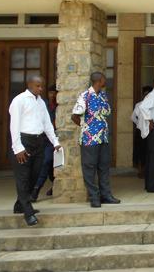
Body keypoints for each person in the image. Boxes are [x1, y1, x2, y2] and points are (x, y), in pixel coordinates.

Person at [9, 75, 61, 226]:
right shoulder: (19, 100)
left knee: (35, 175)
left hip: (39, 142)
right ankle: (28, 212)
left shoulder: (41, 102)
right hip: (23, 142)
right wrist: (18, 148)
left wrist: (55, 142)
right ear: (29, 85)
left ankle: (19, 205)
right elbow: (14, 126)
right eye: (38, 86)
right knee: (23, 178)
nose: (41, 89)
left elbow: (47, 124)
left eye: (42, 86)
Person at [71, 72, 120, 208]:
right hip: (89, 140)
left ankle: (106, 195)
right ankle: (94, 197)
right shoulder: (85, 96)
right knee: (89, 168)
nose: (105, 80)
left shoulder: (103, 95)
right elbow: (74, 116)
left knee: (104, 167)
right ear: (99, 80)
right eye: (104, 78)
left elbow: (107, 112)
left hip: (103, 138)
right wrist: (86, 127)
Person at [30, 84, 58, 202]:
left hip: (54, 139)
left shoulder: (60, 106)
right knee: (46, 163)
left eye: (54, 93)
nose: (52, 95)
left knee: (48, 162)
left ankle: (36, 190)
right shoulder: (43, 104)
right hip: (43, 138)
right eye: (50, 93)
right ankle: (44, 187)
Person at [132, 85, 152, 178]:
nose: (146, 96)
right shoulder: (139, 105)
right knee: (140, 151)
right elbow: (132, 117)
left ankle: (147, 171)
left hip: (150, 131)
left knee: (149, 151)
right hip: (140, 131)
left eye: (148, 94)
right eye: (145, 94)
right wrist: (139, 124)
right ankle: (140, 171)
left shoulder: (153, 105)